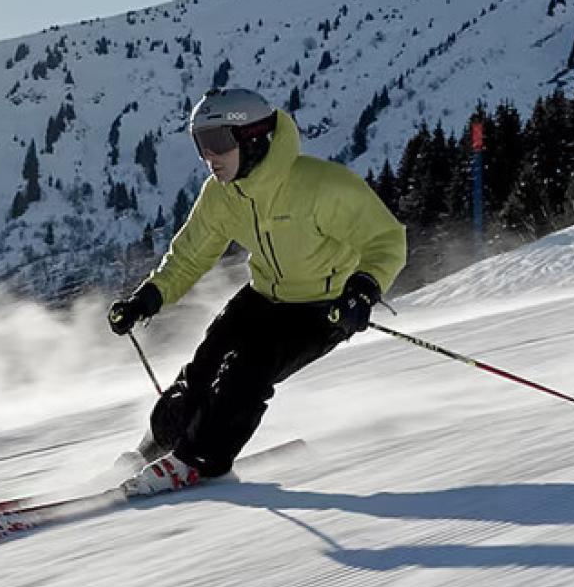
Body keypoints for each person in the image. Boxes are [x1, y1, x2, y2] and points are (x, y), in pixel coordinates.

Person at [106, 87, 407, 496]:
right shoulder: (222, 195)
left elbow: (386, 239)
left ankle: (200, 462)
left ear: (253, 138)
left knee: (247, 373)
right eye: (200, 143)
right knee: (200, 372)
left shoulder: (320, 186)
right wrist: (148, 297)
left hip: (323, 308)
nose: (208, 156)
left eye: (217, 142)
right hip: (263, 296)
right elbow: (190, 254)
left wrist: (363, 291)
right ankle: (156, 448)